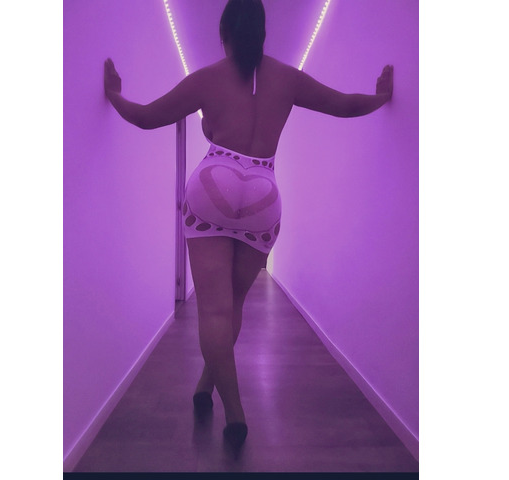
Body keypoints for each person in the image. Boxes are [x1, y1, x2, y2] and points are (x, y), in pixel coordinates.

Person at [104, 0, 393, 451]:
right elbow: (344, 105)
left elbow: (145, 117)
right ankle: (206, 385)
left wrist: (114, 95)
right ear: (263, 33)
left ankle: (234, 411)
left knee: (214, 311)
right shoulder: (288, 79)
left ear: (224, 34)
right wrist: (381, 97)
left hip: (213, 182)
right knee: (233, 304)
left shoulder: (207, 79)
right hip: (263, 190)